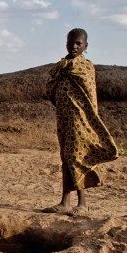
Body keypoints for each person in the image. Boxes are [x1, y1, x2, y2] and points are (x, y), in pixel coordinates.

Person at [44, 28, 118, 215]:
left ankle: (82, 204)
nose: (74, 46)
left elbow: (89, 96)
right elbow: (51, 88)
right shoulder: (62, 66)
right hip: (64, 120)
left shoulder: (84, 67)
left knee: (76, 157)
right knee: (66, 158)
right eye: (71, 42)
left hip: (80, 120)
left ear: (86, 46)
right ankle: (64, 202)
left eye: (78, 43)